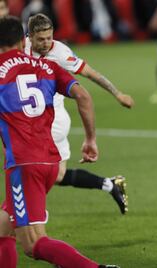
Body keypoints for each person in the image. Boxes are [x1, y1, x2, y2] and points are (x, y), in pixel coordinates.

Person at [0, 15, 119, 268]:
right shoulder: (49, 67)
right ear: (24, 41)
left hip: (24, 165)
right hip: (51, 161)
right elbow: (84, 96)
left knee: (33, 244)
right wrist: (90, 140)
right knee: (3, 226)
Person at [25, 13, 135, 214]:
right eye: (41, 39)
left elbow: (92, 74)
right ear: (29, 36)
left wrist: (117, 93)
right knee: (57, 175)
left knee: (31, 170)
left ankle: (30, 214)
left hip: (53, 121)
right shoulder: (19, 48)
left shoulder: (60, 53)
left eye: (50, 37)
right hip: (30, 119)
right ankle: (110, 185)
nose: (46, 43)